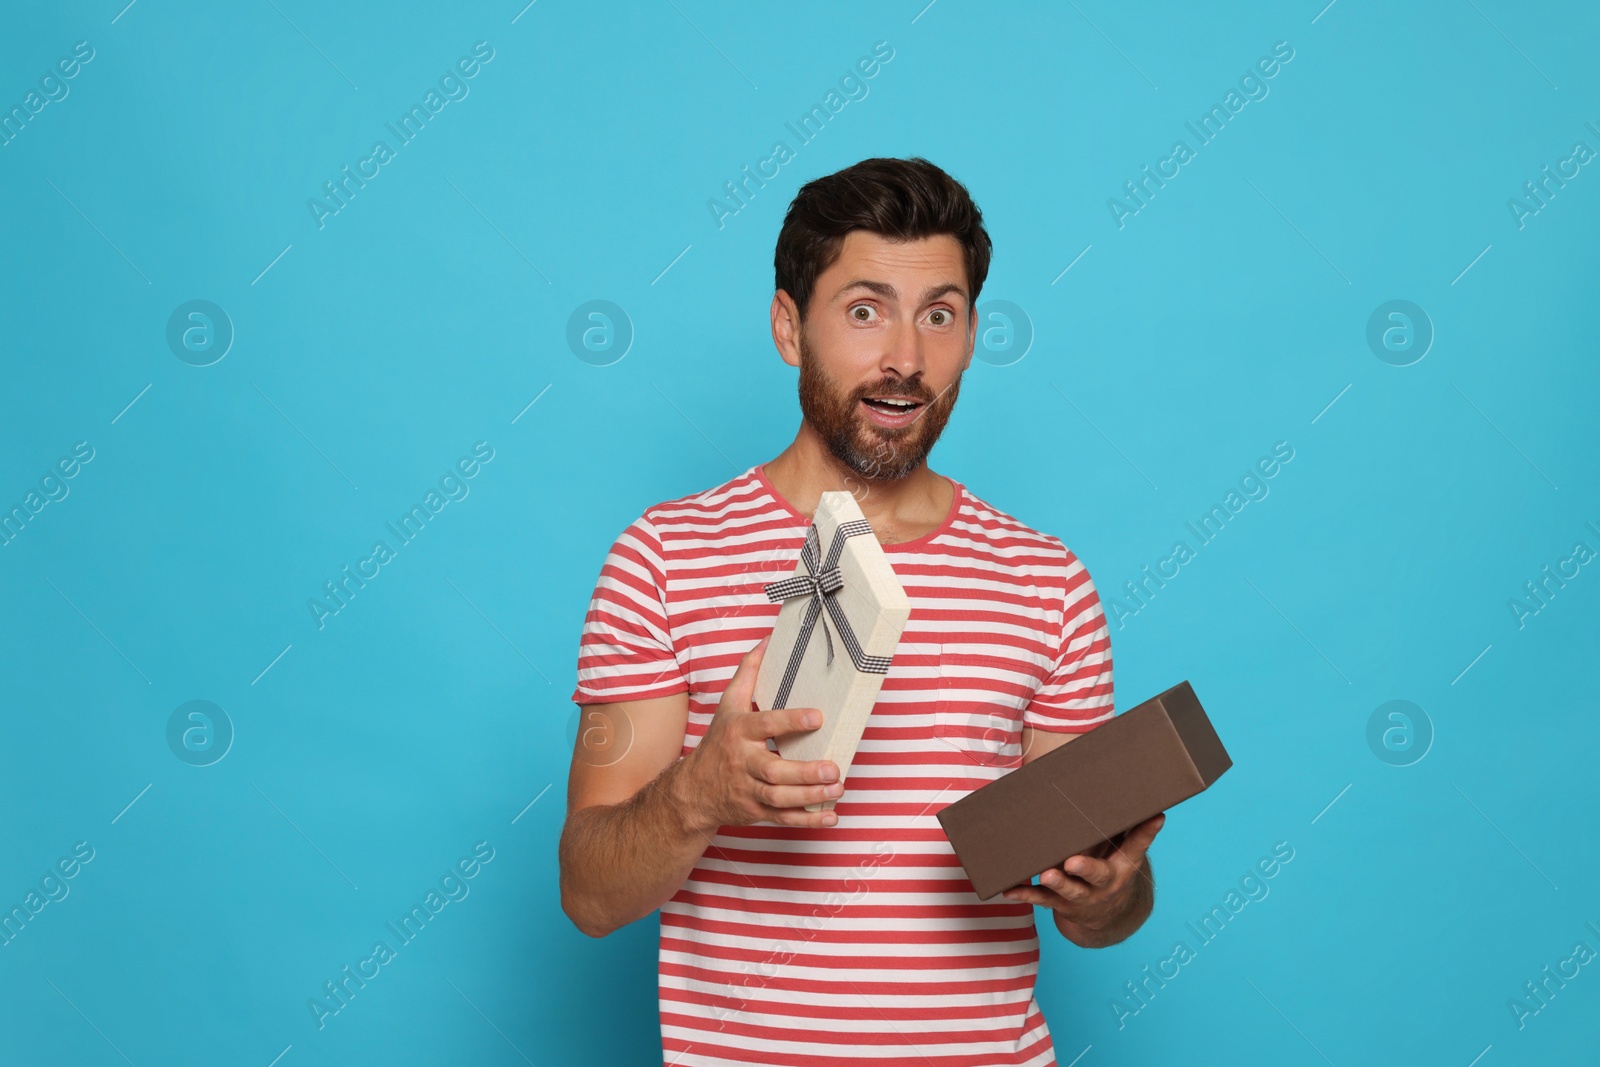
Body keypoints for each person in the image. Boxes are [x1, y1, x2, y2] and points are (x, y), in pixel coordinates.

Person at [559, 156, 1164, 1066]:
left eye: (940, 314)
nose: (906, 359)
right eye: (865, 309)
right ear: (787, 326)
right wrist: (699, 794)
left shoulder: (1047, 582)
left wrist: (1109, 891)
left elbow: (1099, 901)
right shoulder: (665, 558)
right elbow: (589, 891)